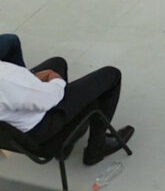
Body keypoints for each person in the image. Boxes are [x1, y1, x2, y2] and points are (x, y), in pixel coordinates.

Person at [0, 39, 134, 167]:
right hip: (43, 128)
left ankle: (71, 138)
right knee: (111, 75)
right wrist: (55, 79)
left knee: (57, 63)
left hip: (13, 127)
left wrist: (31, 80)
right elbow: (50, 98)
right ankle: (96, 148)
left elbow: (15, 90)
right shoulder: (5, 79)